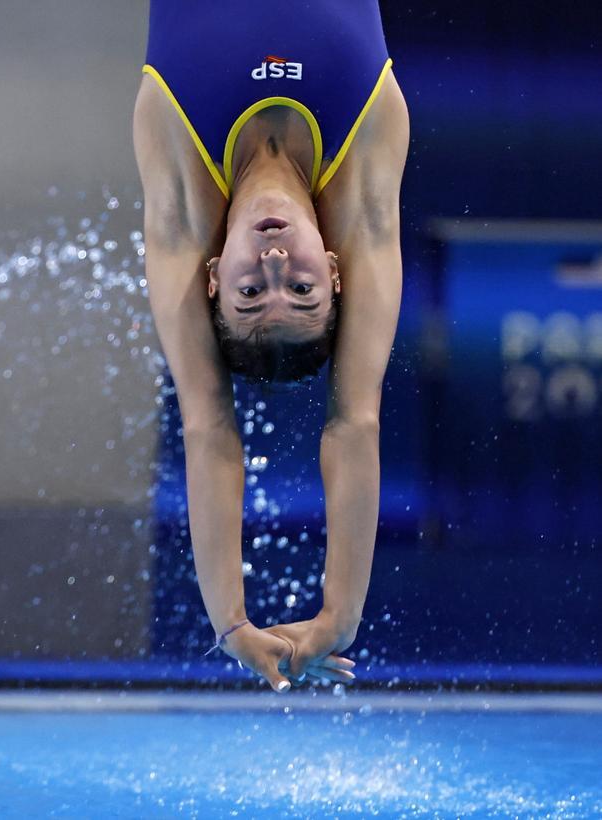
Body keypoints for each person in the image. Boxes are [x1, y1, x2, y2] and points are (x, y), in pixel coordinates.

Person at [133, 0, 410, 692]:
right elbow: (355, 419)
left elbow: (207, 423)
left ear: (211, 278)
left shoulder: (182, 197)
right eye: (305, 294)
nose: (277, 265)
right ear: (339, 273)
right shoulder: (365, 193)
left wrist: (228, 621)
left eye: (251, 295)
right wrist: (339, 614)